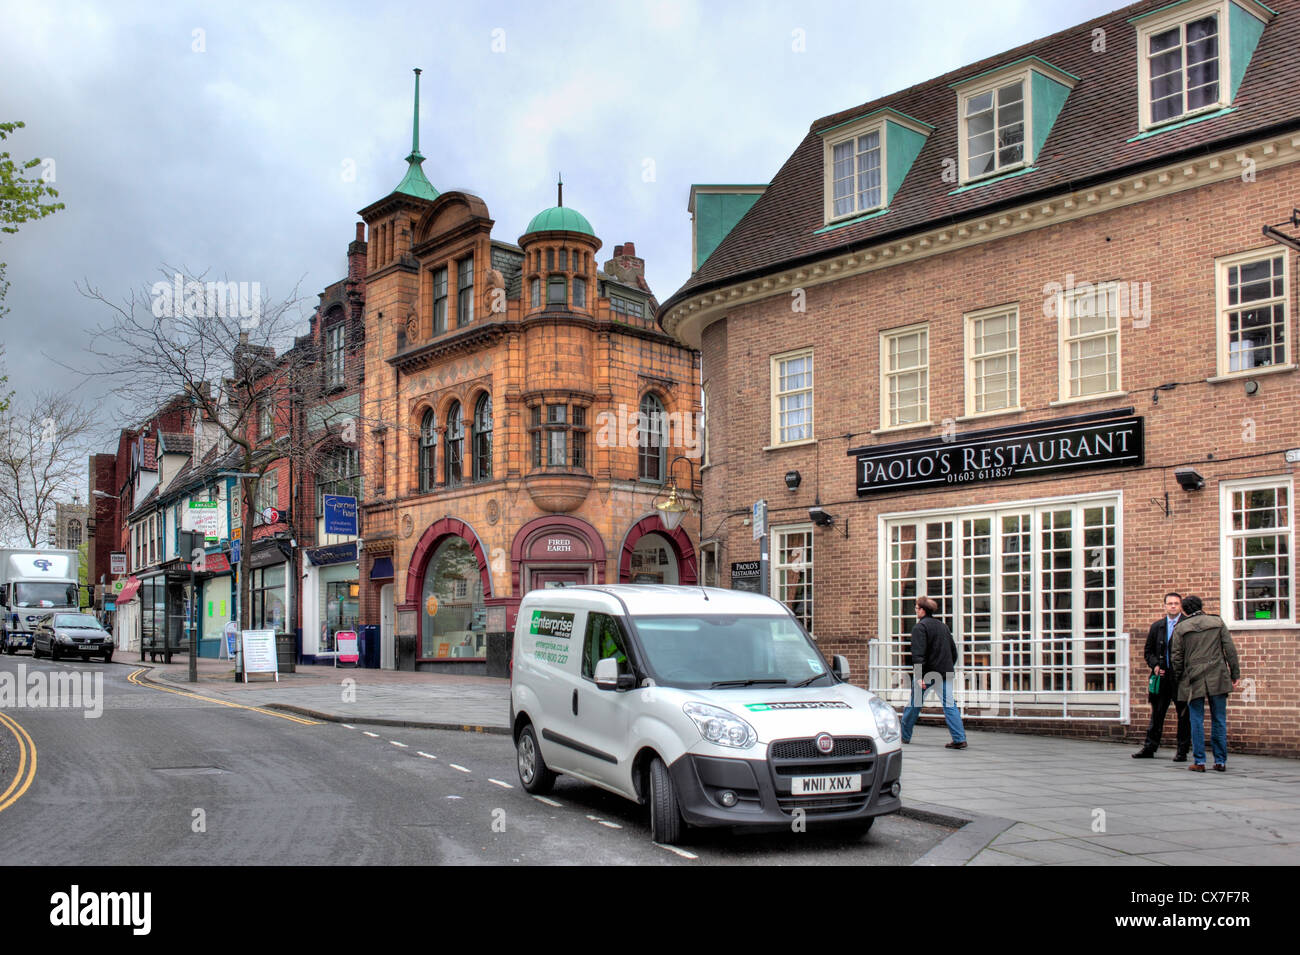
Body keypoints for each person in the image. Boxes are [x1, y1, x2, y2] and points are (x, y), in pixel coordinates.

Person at [1171, 595, 1240, 773]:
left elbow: (1176, 657)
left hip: (1193, 679)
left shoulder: (1181, 628)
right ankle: (1220, 761)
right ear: (1201, 606)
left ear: (1184, 610)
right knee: (1219, 719)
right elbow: (1230, 649)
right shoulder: (1216, 622)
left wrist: (1178, 678)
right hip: (1217, 675)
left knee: (1196, 720)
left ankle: (1199, 761)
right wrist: (1235, 673)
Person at [900, 596, 967, 749]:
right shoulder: (942, 626)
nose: (915, 610)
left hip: (927, 673)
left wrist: (919, 676)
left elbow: (918, 654)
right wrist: (948, 666)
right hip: (944, 672)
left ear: (922, 610)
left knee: (914, 704)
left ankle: (904, 736)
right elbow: (953, 651)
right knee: (950, 705)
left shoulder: (919, 628)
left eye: (916, 608)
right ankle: (959, 739)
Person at [1133, 592, 1190, 761]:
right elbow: (1148, 651)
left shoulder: (1187, 624)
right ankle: (1149, 747)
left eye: (1176, 603)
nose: (1173, 606)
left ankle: (1182, 751)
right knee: (1157, 714)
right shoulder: (1157, 626)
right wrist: (1155, 666)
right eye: (1170, 603)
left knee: (1183, 715)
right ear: (1164, 605)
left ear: (1181, 606)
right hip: (1161, 676)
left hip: (1180, 678)